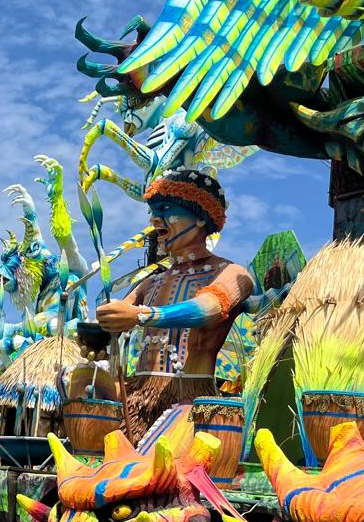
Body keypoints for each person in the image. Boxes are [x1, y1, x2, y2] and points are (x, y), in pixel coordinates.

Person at [95, 169, 252, 442]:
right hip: (135, 402)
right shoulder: (150, 282)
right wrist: (104, 323)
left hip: (189, 404)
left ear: (201, 217)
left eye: (167, 209)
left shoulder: (230, 272)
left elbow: (208, 308)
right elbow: (122, 312)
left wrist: (142, 315)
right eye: (153, 212)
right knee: (78, 379)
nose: (156, 220)